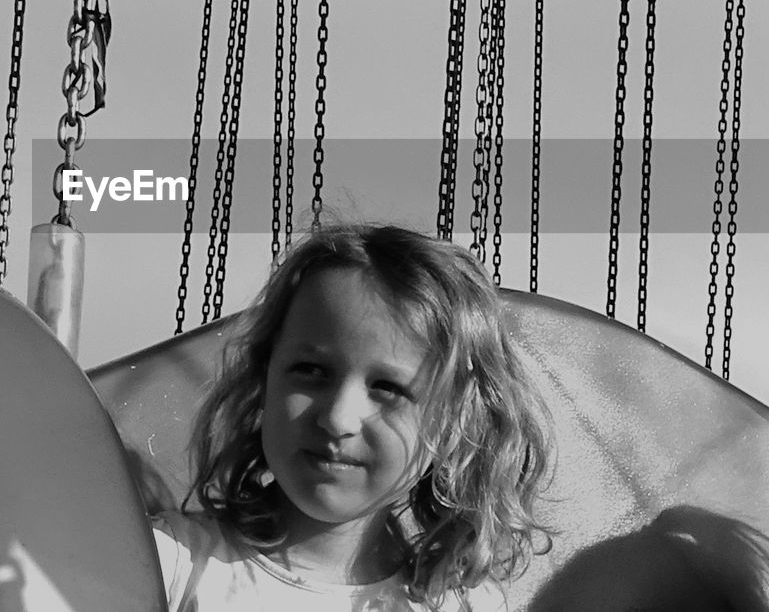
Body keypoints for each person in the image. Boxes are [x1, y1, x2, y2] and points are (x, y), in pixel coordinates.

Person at [152, 223, 554, 611]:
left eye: (388, 388)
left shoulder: (461, 605)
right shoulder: (167, 565)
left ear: (453, 422)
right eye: (311, 371)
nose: (337, 419)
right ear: (264, 377)